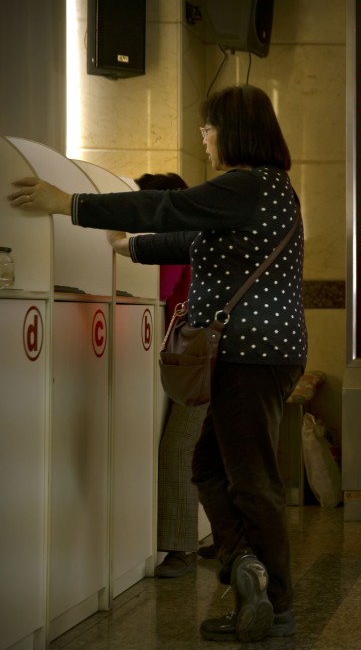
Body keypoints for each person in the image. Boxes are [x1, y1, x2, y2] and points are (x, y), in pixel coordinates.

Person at [8, 84, 307, 643]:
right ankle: (249, 573)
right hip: (255, 353)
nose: (204, 136)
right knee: (210, 467)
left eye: (210, 126)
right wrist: (131, 249)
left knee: (251, 479)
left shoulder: (246, 184)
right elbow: (195, 239)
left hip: (247, 353)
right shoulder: (264, 191)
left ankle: (275, 599)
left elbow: (166, 206)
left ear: (237, 130)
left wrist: (68, 204)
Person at [130, 172, 206, 579]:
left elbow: (156, 292)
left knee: (179, 447)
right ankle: (218, 538)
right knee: (207, 449)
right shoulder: (192, 236)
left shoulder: (177, 243)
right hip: (197, 356)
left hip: (196, 359)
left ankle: (180, 547)